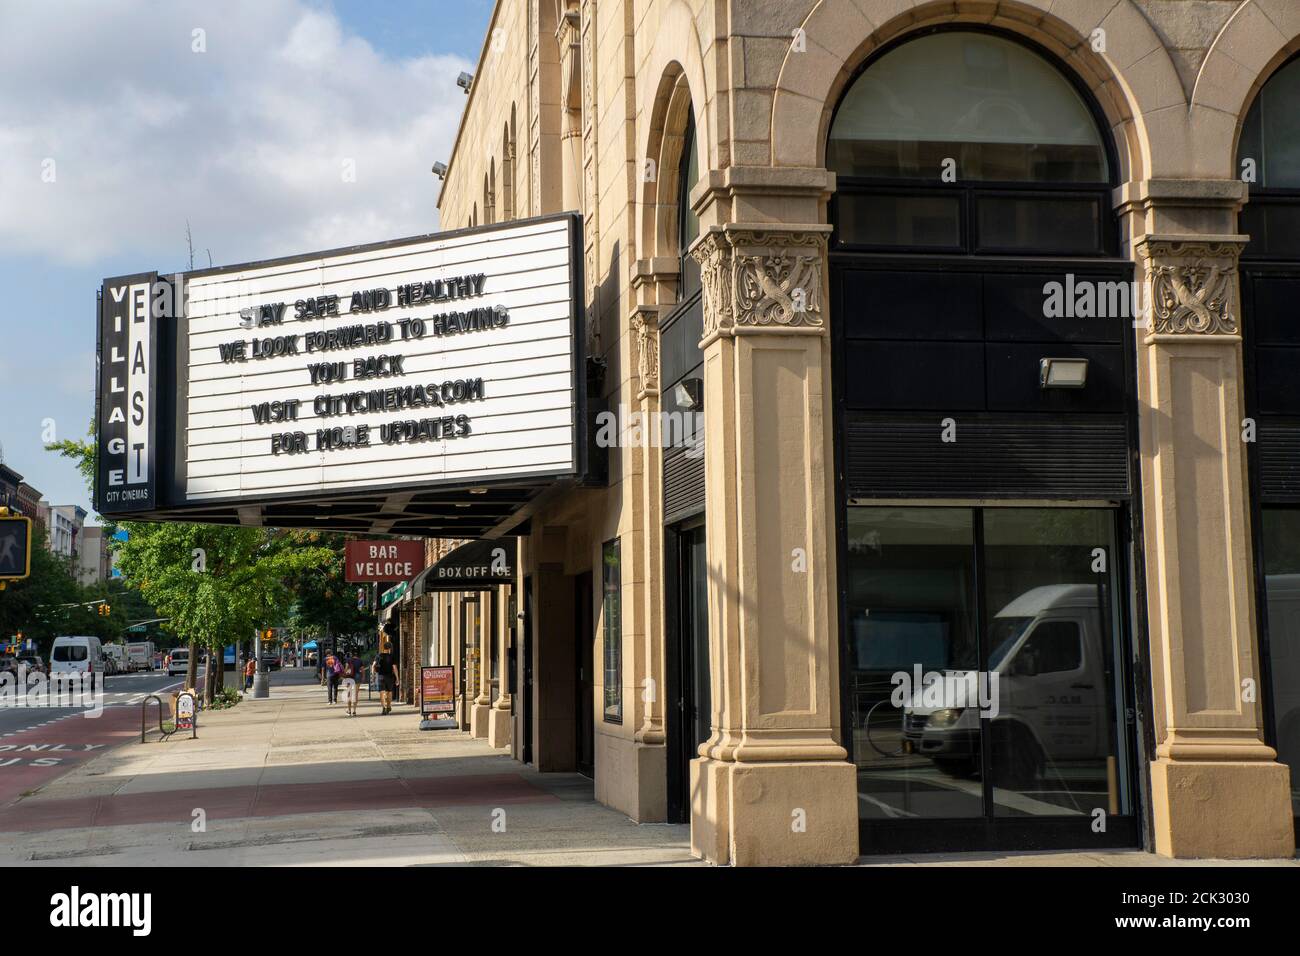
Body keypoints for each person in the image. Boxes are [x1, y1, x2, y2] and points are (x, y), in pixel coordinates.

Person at [376, 644, 398, 715]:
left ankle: (383, 707)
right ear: (390, 649)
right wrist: (397, 678)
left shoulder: (378, 656)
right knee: (389, 692)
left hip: (381, 676)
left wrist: (373, 675)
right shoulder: (392, 656)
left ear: (383, 648)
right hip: (389, 677)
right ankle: (388, 706)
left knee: (382, 692)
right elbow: (394, 668)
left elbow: (373, 665)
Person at [340, 651, 361, 717]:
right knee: (355, 694)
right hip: (357, 677)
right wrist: (363, 677)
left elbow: (346, 668)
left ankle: (349, 711)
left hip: (350, 677)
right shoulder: (360, 660)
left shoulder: (348, 660)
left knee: (349, 694)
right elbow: (362, 669)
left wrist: (344, 676)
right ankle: (354, 711)